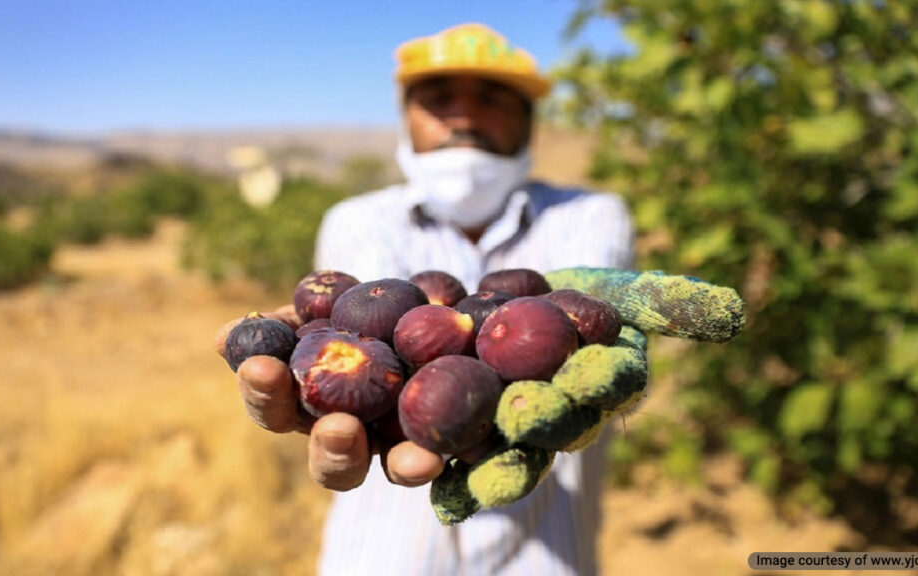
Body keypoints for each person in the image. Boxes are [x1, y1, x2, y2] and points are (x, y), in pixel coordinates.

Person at [216, 23, 634, 575]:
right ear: (406, 114)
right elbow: (369, 336)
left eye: (491, 98)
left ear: (529, 121)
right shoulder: (359, 220)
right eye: (438, 100)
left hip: (545, 552)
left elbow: (582, 340)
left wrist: (618, 355)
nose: (463, 116)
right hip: (382, 556)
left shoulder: (590, 215)